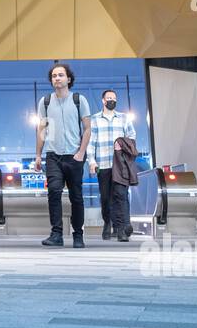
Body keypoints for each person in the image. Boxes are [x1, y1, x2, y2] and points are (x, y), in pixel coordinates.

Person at [32, 62, 92, 248]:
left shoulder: (78, 99)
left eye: (60, 75)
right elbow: (42, 129)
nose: (57, 78)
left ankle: (78, 235)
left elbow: (88, 128)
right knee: (54, 192)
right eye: (54, 76)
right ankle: (56, 234)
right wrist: (38, 155)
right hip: (53, 156)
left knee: (77, 196)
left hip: (74, 156)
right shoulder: (45, 102)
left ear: (69, 79)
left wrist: (81, 153)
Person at [88, 88, 139, 241]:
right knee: (105, 198)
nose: (112, 100)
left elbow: (132, 137)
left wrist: (122, 144)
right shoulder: (95, 119)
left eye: (114, 98)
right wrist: (91, 161)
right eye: (109, 98)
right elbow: (91, 142)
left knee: (120, 195)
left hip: (120, 165)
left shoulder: (124, 118)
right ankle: (107, 223)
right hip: (103, 165)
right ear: (103, 101)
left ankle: (122, 228)